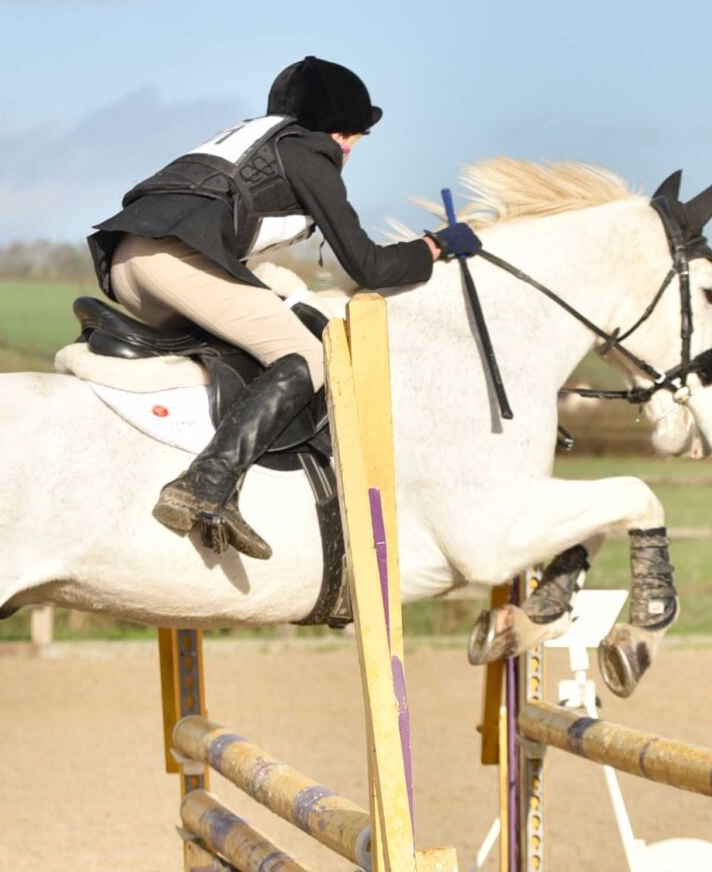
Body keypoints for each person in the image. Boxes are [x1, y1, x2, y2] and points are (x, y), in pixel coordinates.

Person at [88, 56, 481, 559]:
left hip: (127, 263)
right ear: (339, 134)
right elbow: (370, 267)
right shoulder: (309, 153)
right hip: (172, 262)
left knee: (270, 313)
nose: (350, 152)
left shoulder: (250, 138)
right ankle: (207, 483)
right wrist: (435, 246)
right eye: (355, 140)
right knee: (308, 357)